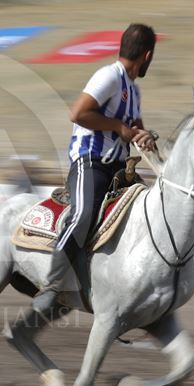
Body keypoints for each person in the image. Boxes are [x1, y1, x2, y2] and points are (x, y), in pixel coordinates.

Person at [31, 23, 158, 314]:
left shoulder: (133, 89)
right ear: (147, 55)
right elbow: (77, 113)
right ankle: (51, 286)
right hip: (90, 161)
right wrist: (117, 127)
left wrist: (143, 134)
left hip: (118, 167)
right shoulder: (109, 76)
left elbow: (133, 126)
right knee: (84, 214)